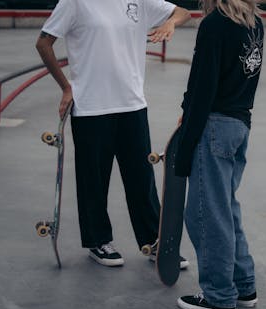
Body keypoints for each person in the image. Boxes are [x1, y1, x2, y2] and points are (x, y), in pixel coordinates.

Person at [35, 0, 191, 267]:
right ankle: (98, 241)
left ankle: (154, 241)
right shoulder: (75, 2)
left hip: (132, 104)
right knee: (93, 179)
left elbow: (183, 12)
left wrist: (170, 23)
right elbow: (43, 43)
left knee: (141, 178)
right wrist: (66, 87)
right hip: (91, 106)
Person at [174, 0, 264, 309]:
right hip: (239, 125)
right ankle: (243, 285)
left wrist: (184, 148)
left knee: (205, 215)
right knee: (226, 208)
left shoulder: (215, 25)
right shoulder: (253, 23)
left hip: (213, 127)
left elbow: (203, 87)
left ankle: (219, 295)